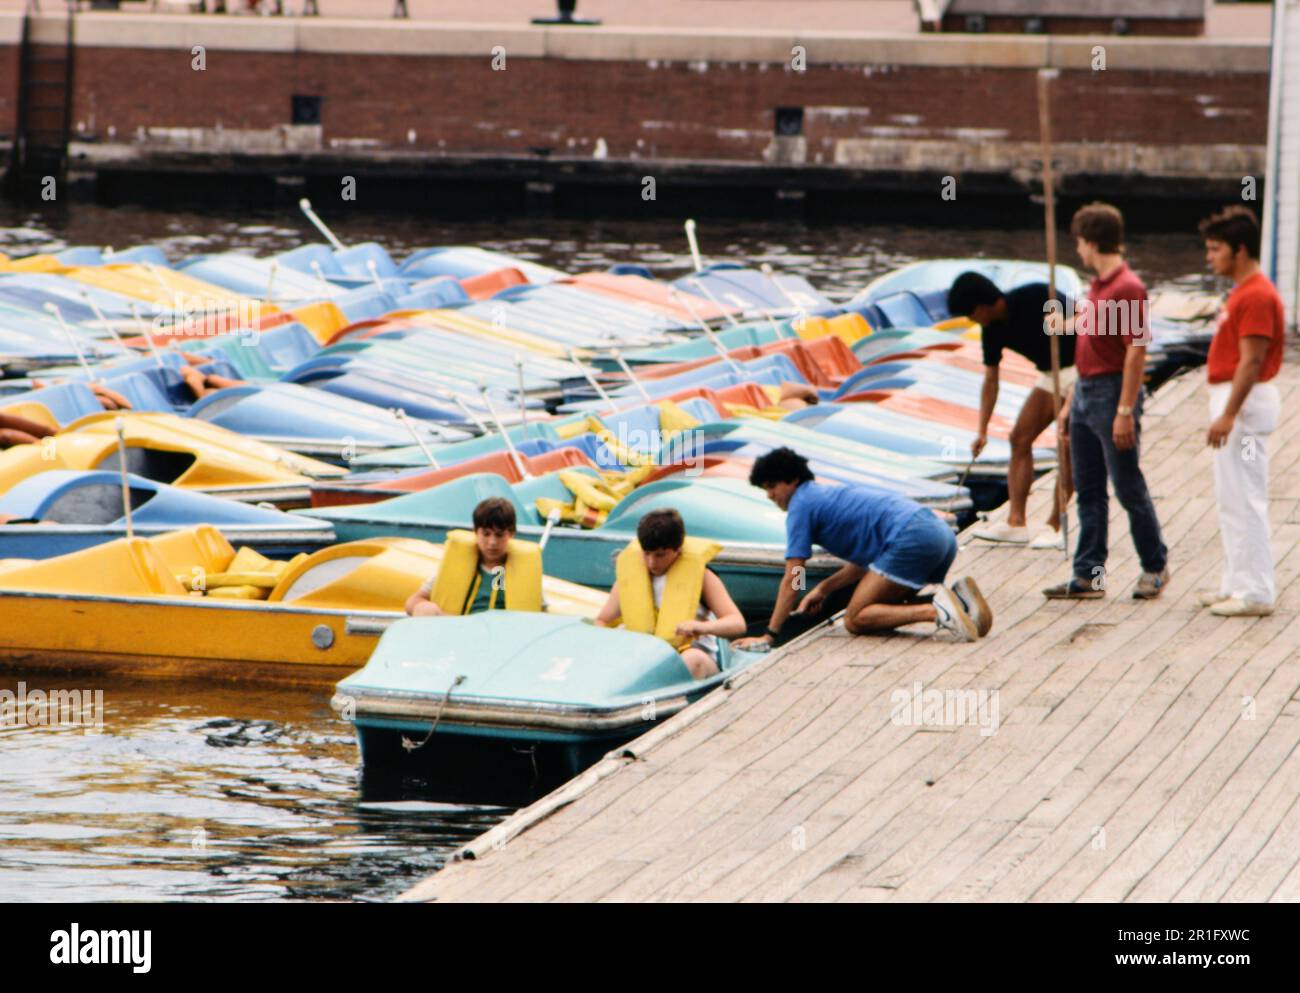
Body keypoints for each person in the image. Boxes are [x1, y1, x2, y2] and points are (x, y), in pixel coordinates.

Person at [735, 447, 992, 648]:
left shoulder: (800, 506)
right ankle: (960, 602)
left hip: (912, 538)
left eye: (771, 486)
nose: (769, 495)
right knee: (888, 601)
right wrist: (824, 588)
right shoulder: (823, 495)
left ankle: (936, 610)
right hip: (939, 534)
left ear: (792, 480)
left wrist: (770, 634)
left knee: (856, 618)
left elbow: (795, 573)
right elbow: (868, 564)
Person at [1043, 202, 1169, 600]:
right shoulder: (1097, 289)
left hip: (1113, 393)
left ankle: (1155, 564)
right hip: (1084, 392)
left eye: (1080, 243)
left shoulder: (1127, 287)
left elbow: (1136, 351)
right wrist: (1068, 404)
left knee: (1127, 485)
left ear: (1093, 242)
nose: (1077, 251)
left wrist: (1125, 411)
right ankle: (1089, 575)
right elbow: (1090, 337)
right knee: (1088, 487)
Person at [1197, 206, 1285, 617]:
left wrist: (1229, 413)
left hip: (1244, 406)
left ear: (1241, 249)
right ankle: (1236, 582)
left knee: (1248, 496)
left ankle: (1257, 592)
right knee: (1230, 497)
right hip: (1234, 400)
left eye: (1216, 249)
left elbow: (1251, 361)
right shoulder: (1241, 292)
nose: (1209, 257)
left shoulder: (1257, 295)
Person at [947, 271, 1076, 548]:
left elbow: (1090, 322)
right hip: (1052, 375)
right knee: (1019, 437)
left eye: (971, 316)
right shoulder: (991, 329)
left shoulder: (1036, 295)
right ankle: (1016, 523)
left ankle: (1055, 525)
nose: (972, 322)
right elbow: (991, 381)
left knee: (1067, 443)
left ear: (980, 307)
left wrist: (1062, 323)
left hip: (1082, 369)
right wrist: (981, 429)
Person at [595, 508, 746, 679]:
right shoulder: (631, 577)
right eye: (647, 554)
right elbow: (602, 620)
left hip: (694, 656)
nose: (652, 563)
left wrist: (701, 627)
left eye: (660, 555)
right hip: (644, 659)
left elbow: (737, 623)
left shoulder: (703, 577)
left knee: (692, 660)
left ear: (678, 550)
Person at [405, 497, 543, 616]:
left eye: (499, 535)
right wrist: (424, 607)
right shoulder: (458, 565)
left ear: (511, 534)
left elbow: (542, 609)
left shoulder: (522, 571)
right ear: (476, 532)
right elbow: (413, 601)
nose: (492, 542)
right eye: (486, 534)